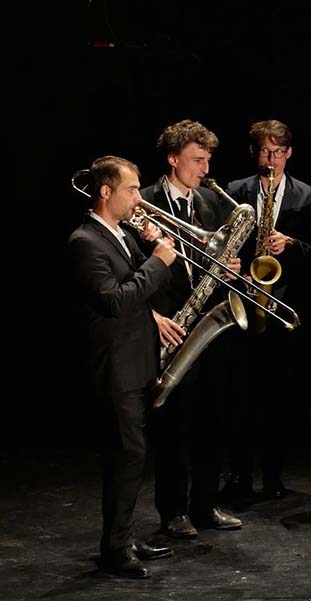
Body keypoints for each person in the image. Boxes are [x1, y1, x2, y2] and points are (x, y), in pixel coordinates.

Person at [69, 156, 177, 578]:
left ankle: (123, 536)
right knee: (128, 455)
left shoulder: (121, 234)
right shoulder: (84, 241)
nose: (139, 198)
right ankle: (115, 547)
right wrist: (158, 261)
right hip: (114, 367)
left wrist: (152, 250)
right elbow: (113, 300)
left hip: (137, 360)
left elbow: (141, 291)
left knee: (133, 455)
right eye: (132, 190)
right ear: (106, 192)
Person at [139, 119, 243, 539]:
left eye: (207, 160)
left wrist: (232, 269)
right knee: (174, 424)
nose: (205, 169)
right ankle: (173, 511)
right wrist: (151, 317)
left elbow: (225, 257)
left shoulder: (213, 204)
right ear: (172, 158)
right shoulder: (143, 203)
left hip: (210, 324)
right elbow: (128, 269)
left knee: (213, 419)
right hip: (170, 324)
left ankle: (205, 504)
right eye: (197, 160)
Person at [220, 119, 311, 506]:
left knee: (278, 397)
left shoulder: (308, 196)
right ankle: (240, 476)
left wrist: (291, 243)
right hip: (244, 301)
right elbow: (225, 242)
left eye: (278, 152)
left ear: (289, 153)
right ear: (253, 152)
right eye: (264, 151)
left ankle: (274, 477)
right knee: (241, 397)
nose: (271, 159)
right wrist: (237, 266)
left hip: (283, 305)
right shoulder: (235, 191)